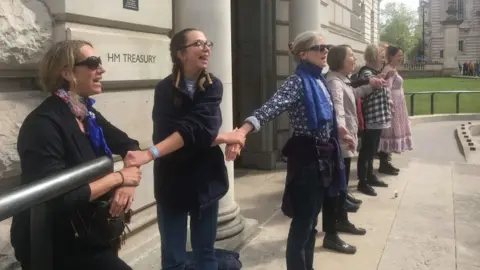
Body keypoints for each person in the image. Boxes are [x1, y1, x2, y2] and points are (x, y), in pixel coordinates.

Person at [225, 31, 362, 270]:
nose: (325, 51)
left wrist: (340, 132)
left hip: (324, 158)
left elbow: (327, 117)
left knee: (311, 225)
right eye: (319, 48)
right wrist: (243, 131)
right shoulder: (297, 82)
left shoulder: (320, 79)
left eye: (326, 47)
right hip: (308, 161)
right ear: (303, 54)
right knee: (302, 225)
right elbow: (270, 108)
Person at [10, 40, 142, 270]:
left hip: (88, 234)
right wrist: (119, 178)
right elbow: (57, 198)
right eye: (92, 63)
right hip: (53, 246)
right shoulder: (42, 124)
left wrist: (128, 184)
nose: (101, 69)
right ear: (67, 72)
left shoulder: (85, 112)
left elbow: (130, 145)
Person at [122, 28, 245, 270]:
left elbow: (202, 128)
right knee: (173, 258)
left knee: (205, 254)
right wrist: (225, 137)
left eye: (208, 42)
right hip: (172, 183)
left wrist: (155, 151)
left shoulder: (213, 86)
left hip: (206, 182)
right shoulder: (164, 89)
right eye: (198, 43)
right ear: (181, 54)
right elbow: (176, 133)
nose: (206, 48)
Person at [325, 44, 386, 238]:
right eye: (351, 56)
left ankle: (341, 220)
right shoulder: (334, 82)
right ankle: (335, 227)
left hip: (346, 138)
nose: (355, 59)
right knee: (337, 187)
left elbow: (353, 95)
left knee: (340, 185)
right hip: (342, 140)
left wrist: (370, 86)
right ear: (340, 60)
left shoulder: (343, 80)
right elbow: (338, 108)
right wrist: (343, 130)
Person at [356, 44, 392, 196]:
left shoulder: (373, 72)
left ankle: (369, 177)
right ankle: (362, 182)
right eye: (381, 57)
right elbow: (362, 92)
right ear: (374, 57)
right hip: (371, 118)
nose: (383, 61)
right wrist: (377, 80)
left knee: (371, 151)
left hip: (376, 119)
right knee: (366, 151)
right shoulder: (366, 73)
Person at [377, 46, 413, 174]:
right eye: (398, 55)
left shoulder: (392, 69)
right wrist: (390, 104)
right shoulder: (388, 70)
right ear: (391, 56)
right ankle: (384, 163)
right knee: (389, 133)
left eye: (401, 55)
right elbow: (387, 88)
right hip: (394, 106)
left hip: (398, 104)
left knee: (391, 133)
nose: (400, 57)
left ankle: (386, 162)